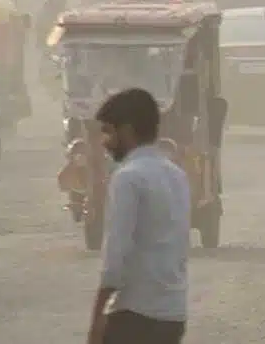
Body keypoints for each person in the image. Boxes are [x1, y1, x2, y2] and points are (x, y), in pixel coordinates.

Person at [87, 88, 190, 344]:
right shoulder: (176, 175)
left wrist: (97, 317)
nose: (105, 141)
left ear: (127, 130)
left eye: (109, 132)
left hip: (135, 316)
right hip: (173, 315)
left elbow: (116, 257)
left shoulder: (128, 177)